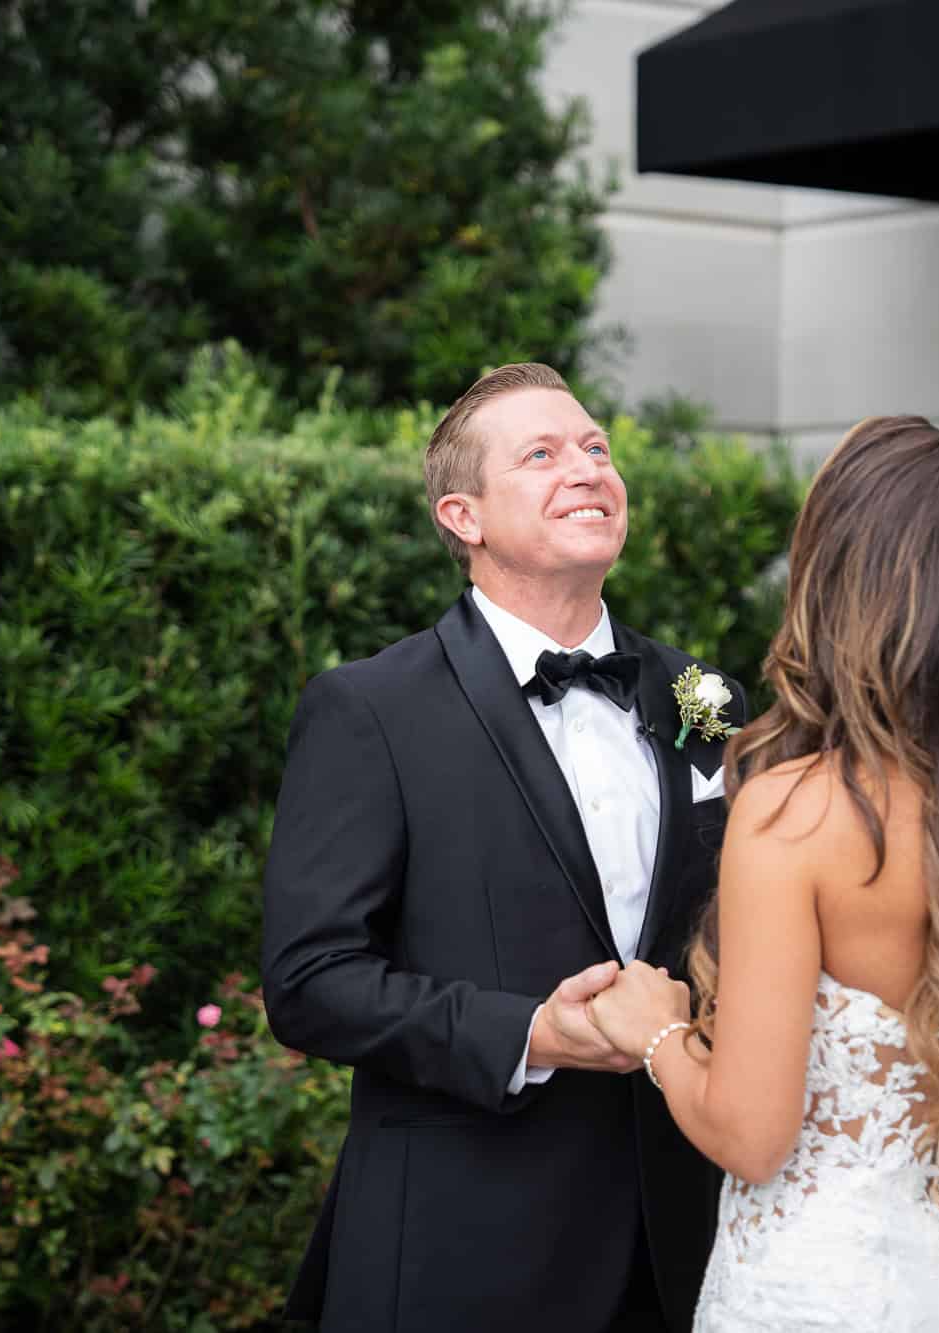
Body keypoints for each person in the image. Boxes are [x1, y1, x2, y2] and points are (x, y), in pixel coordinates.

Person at [587, 416, 939, 1332]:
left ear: (838, 587)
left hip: (823, 1292)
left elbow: (753, 1137)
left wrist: (657, 1033)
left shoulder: (794, 815)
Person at [260, 363, 741, 1331]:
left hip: (681, 1242)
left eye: (596, 448)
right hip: (466, 1247)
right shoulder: (370, 709)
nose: (587, 468)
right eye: (542, 455)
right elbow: (309, 981)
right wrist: (530, 1034)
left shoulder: (703, 695)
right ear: (463, 516)